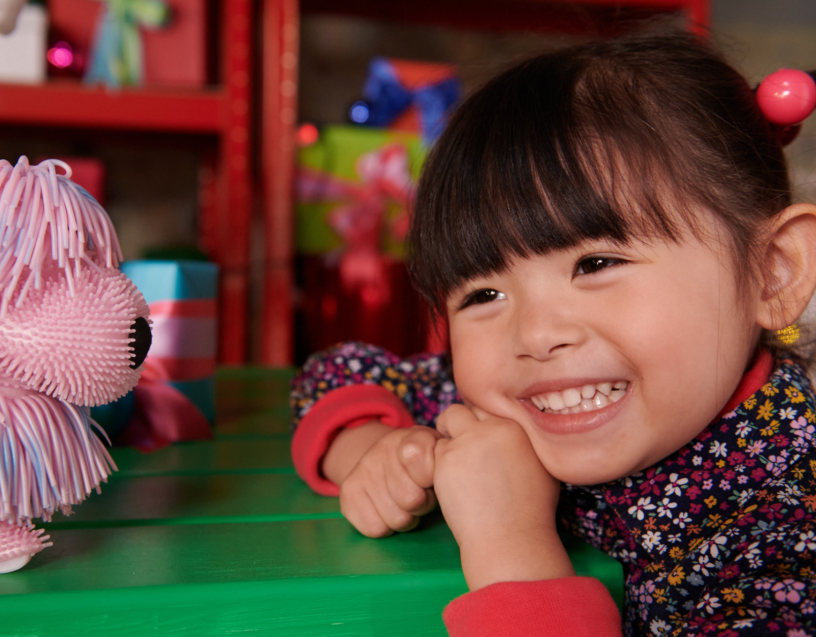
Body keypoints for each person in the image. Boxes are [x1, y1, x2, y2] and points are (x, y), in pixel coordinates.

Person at [290, 30, 816, 636]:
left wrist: (511, 546)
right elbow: (338, 370)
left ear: (773, 273)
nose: (535, 335)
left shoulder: (788, 529)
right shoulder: (520, 403)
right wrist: (374, 450)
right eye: (483, 295)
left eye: (595, 264)